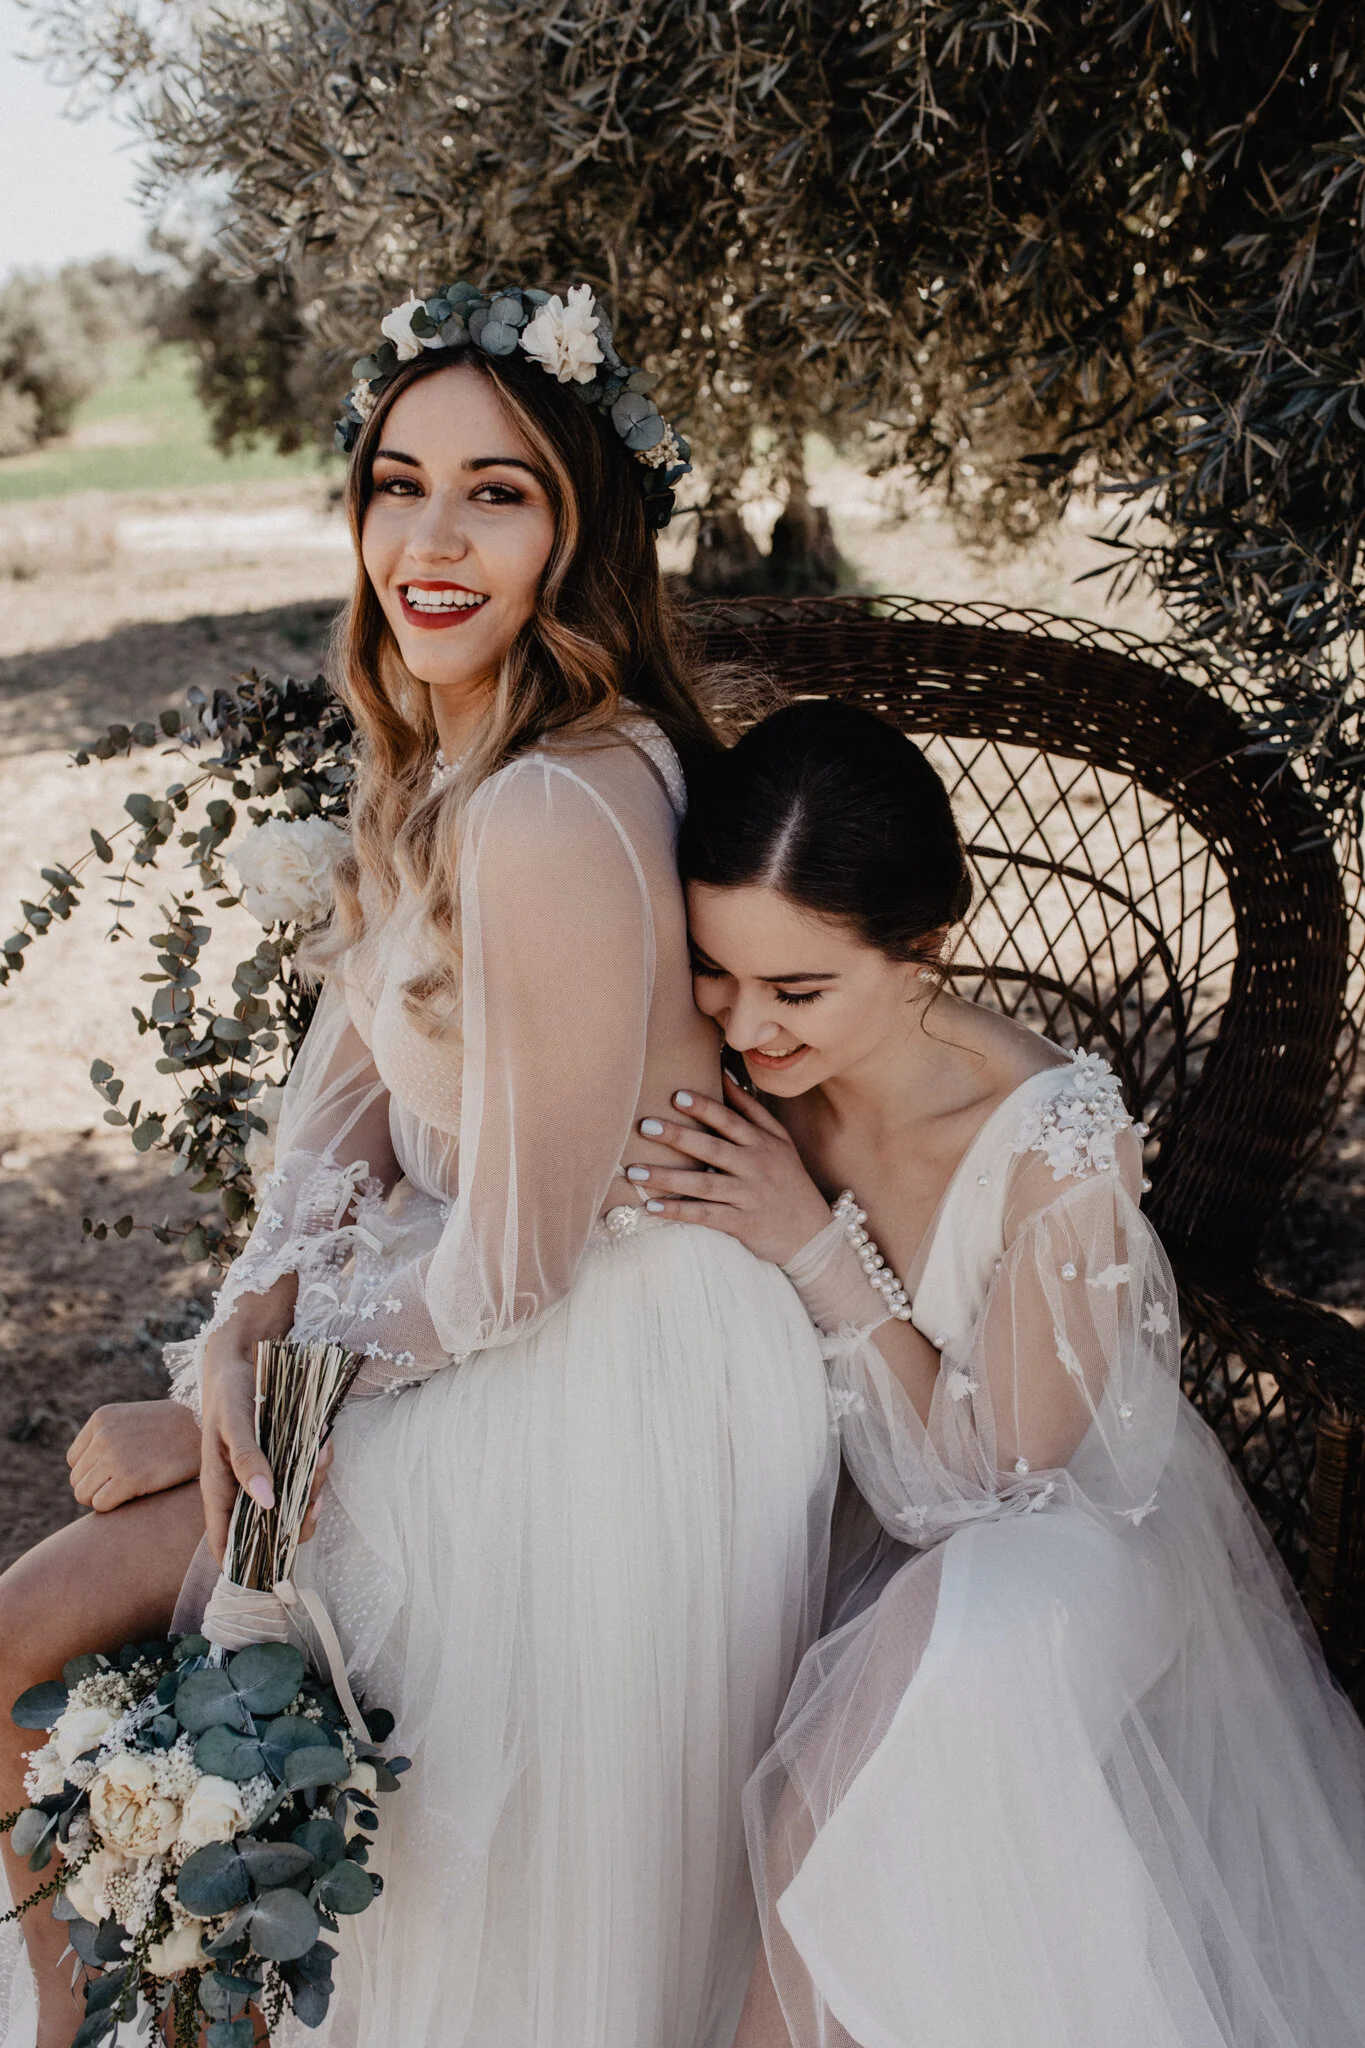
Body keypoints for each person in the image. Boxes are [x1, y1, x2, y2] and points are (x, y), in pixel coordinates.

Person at [0, 284, 835, 2048]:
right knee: (49, 1624)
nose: (430, 542)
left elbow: (516, 1264)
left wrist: (250, 1414)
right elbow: (337, 1125)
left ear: (577, 535)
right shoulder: (454, 765)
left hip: (606, 1374)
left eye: (497, 494)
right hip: (473, 1321)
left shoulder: (552, 805)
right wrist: (237, 1333)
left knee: (53, 1624)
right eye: (400, 485)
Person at [629, 698, 1365, 2048]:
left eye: (800, 989)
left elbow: (998, 1481)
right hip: (834, 1526)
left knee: (924, 1689)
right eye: (716, 971)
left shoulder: (1054, 1142)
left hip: (1067, 1536)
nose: (747, 1024)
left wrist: (815, 1247)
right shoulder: (729, 1072)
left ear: (925, 949)